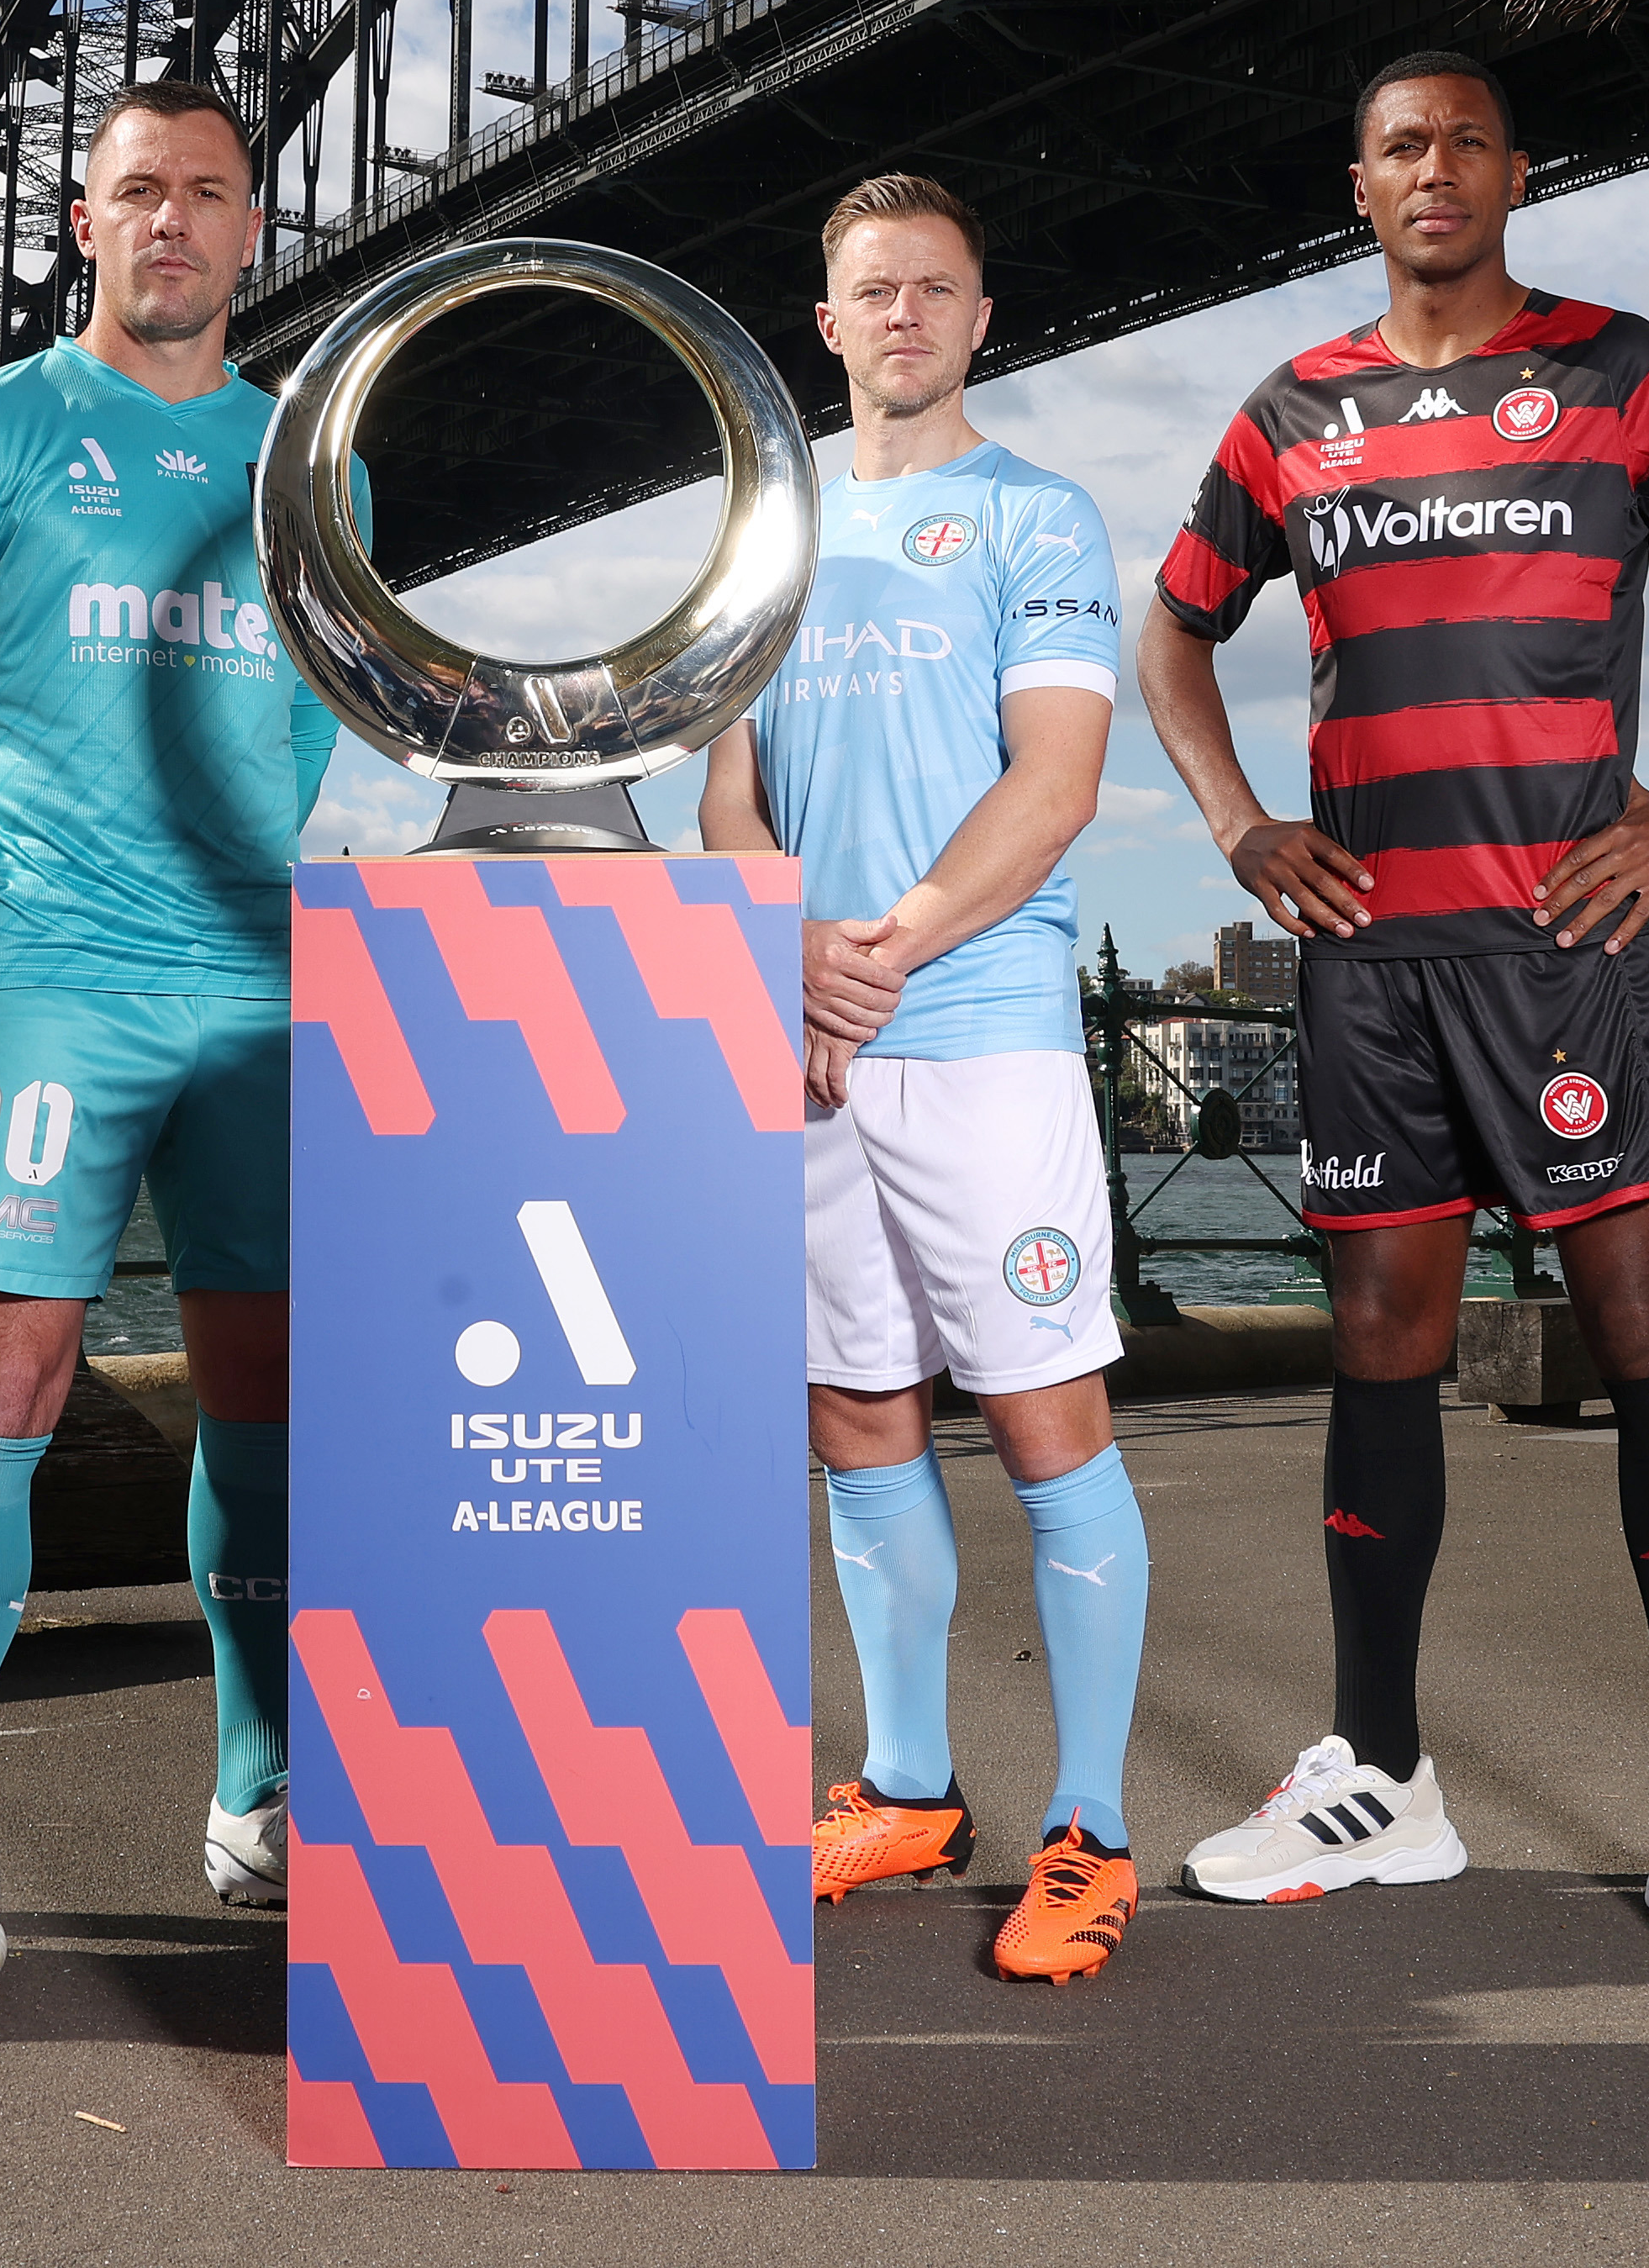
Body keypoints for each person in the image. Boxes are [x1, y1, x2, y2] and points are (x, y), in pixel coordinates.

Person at [1136, 51, 1649, 1963]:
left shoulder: (1624, 371)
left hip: (1567, 945)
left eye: (1467, 139)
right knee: (1381, 1343)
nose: (1435, 167)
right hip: (1371, 955)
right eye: (1401, 143)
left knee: (1646, 1335)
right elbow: (1171, 628)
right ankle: (1379, 1774)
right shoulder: (1290, 410)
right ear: (1359, 184)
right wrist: (1237, 825)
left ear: (1515, 171)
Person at [0, 76, 343, 2002]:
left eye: (208, 192)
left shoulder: (312, 458)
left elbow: (318, 710)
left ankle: (256, 1787)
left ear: (250, 226)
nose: (173, 221)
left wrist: (248, 876)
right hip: (49, 975)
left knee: (268, 1383)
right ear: (81, 218)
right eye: (139, 188)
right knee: (5, 1372)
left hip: (256, 986)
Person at [697, 175, 1145, 1981]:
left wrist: (883, 945)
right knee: (855, 1411)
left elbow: (1055, 777)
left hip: (975, 1034)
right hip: (807, 1032)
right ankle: (904, 1786)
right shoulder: (766, 526)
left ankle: (1092, 1827)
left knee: (1045, 1421)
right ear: (826, 323)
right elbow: (727, 789)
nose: (902, 315)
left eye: (934, 290)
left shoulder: (1037, 514)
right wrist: (782, 936)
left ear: (979, 318)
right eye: (871, 290)